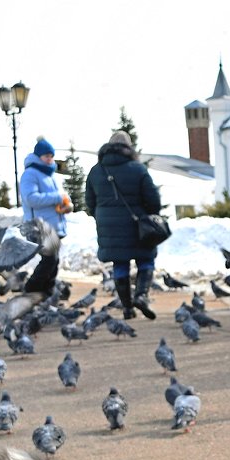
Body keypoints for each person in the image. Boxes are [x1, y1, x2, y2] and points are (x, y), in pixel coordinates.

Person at [85, 130, 162, 319]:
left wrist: (101, 217)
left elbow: (89, 202)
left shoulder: (96, 171)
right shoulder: (138, 169)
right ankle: (142, 296)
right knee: (145, 259)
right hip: (137, 225)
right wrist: (150, 215)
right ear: (128, 148)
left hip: (108, 226)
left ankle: (127, 308)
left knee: (120, 264)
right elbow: (153, 199)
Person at [19, 136, 71, 294]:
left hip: (53, 226)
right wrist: (57, 197)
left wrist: (66, 205)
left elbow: (59, 197)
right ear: (38, 156)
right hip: (39, 226)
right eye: (46, 156)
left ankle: (46, 294)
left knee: (54, 262)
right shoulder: (30, 174)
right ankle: (30, 291)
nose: (49, 159)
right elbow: (30, 199)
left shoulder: (50, 174)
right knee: (50, 261)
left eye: (51, 156)